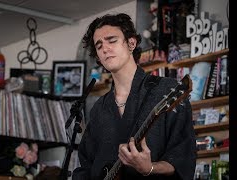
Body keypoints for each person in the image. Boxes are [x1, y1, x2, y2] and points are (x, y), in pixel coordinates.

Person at [72, 13, 196, 180]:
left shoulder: (166, 90)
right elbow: (85, 166)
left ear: (131, 43)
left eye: (112, 40)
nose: (105, 49)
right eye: (99, 45)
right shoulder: (99, 109)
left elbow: (183, 158)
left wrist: (149, 168)